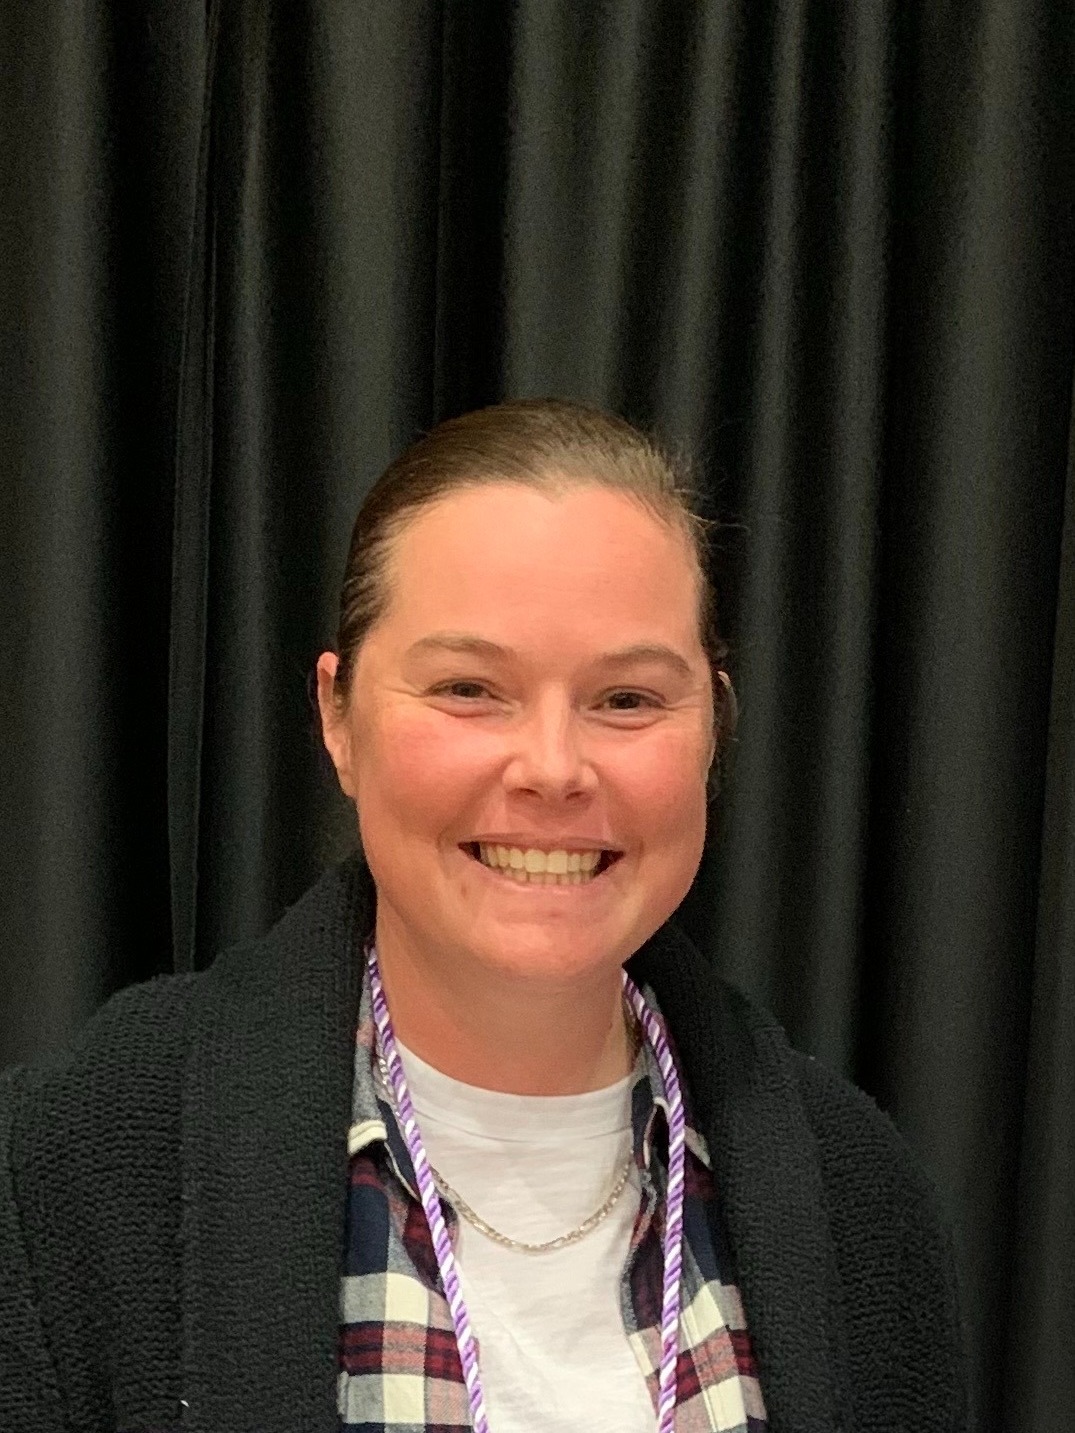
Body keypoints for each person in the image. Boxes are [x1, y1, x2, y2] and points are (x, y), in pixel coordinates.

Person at [0, 399, 966, 1433]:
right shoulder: (69, 1170)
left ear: (711, 729)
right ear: (337, 718)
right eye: (468, 687)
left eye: (627, 699)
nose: (552, 767)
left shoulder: (858, 1200)